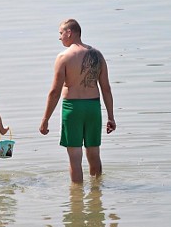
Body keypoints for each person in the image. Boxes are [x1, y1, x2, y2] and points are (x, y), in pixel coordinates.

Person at [40, 19, 115, 183]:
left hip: (72, 108)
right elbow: (106, 88)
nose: (60, 38)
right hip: (93, 107)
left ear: (69, 32)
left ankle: (76, 201)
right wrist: (111, 116)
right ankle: (97, 194)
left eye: (61, 33)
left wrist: (45, 119)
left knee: (75, 158)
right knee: (94, 153)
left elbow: (54, 92)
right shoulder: (97, 55)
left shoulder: (63, 57)